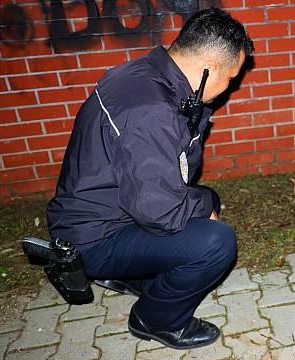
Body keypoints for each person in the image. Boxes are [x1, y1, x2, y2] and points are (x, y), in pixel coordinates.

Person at [46, 8, 254, 350]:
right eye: (232, 77)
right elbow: (160, 210)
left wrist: (203, 201)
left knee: (207, 201)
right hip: (95, 236)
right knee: (216, 242)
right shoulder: (151, 111)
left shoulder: (144, 75)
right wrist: (204, 210)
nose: (231, 86)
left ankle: (137, 276)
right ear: (209, 67)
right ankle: (154, 320)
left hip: (105, 210)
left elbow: (168, 172)